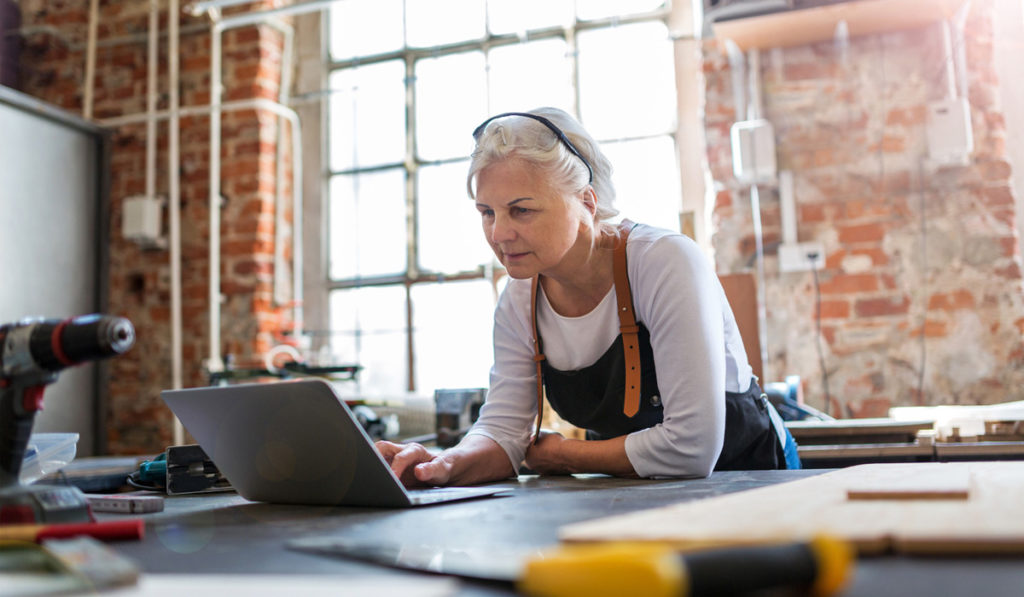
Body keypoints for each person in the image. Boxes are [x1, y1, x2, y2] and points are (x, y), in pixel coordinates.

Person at [376, 107, 797, 488]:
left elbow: (693, 447)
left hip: (750, 482)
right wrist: (444, 464)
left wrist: (564, 455)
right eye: (487, 212)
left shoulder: (664, 262)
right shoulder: (519, 300)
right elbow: (504, 433)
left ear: (587, 202)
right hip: (633, 494)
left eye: (521, 210)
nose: (499, 234)